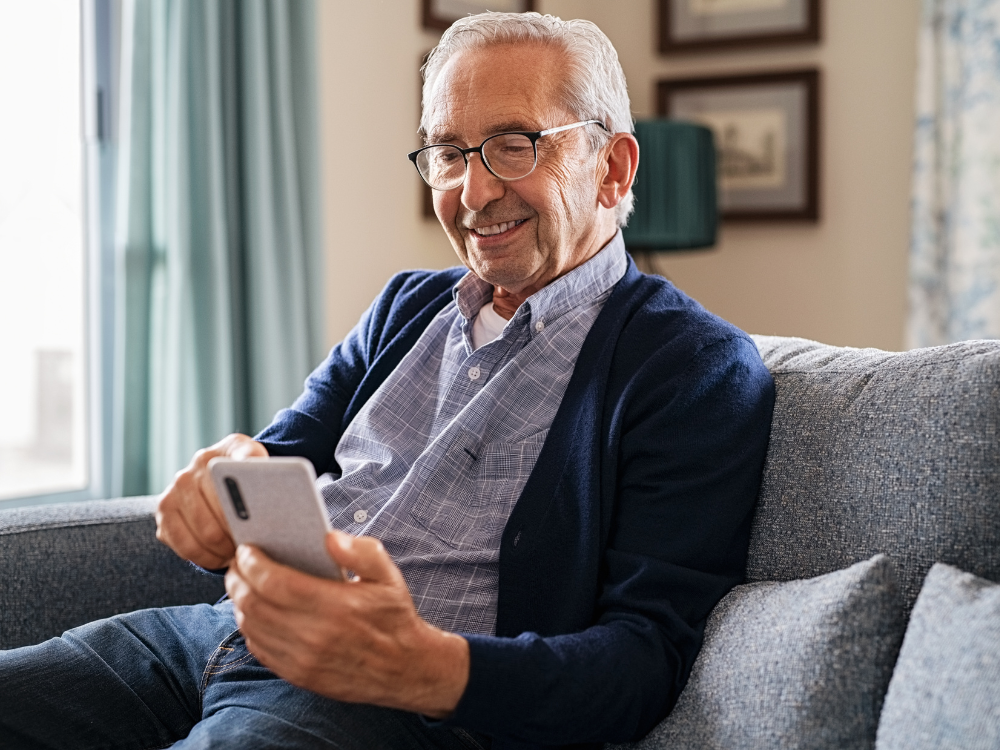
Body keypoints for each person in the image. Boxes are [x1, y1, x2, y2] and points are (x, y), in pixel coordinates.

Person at [0, 12, 774, 750]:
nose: (471, 194)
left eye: (512, 145)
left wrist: (421, 667)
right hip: (219, 638)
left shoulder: (693, 369)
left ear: (611, 168)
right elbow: (277, 462)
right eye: (448, 152)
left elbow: (643, 662)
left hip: (398, 711)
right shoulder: (407, 305)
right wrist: (217, 492)